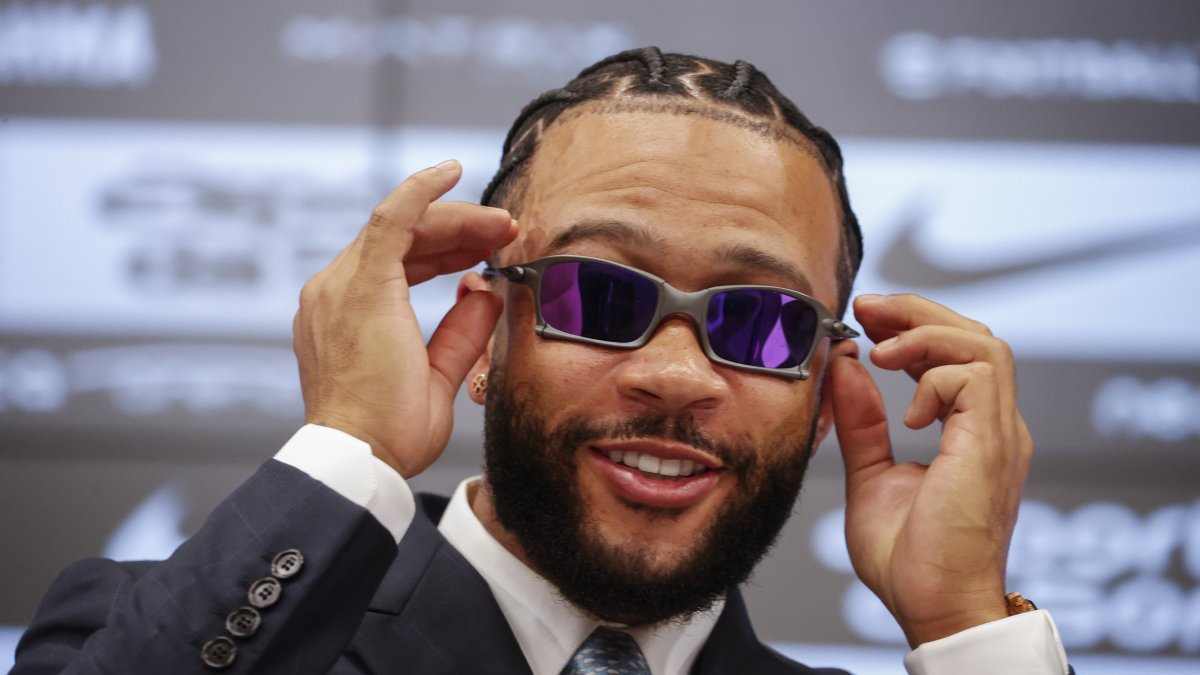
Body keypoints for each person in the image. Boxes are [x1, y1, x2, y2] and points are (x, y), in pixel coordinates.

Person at [13, 48, 1071, 674]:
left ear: (829, 385)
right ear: (484, 334)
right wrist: (352, 446)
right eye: (599, 296)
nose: (677, 374)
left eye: (758, 322)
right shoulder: (171, 628)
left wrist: (967, 624)